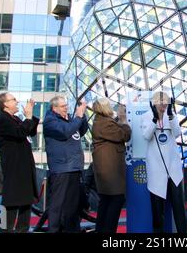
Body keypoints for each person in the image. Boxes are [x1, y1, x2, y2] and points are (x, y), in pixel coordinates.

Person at [142, 92, 187, 233]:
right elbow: (146, 135)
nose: (164, 103)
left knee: (180, 209)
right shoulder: (146, 116)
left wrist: (171, 115)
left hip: (173, 170)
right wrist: (155, 119)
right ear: (154, 102)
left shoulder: (171, 115)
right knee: (158, 213)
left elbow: (176, 133)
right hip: (156, 171)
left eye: (166, 101)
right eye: (161, 101)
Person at [0, 93, 40, 233]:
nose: (17, 101)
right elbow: (20, 133)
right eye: (13, 99)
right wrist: (27, 117)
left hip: (24, 167)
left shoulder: (15, 118)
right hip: (14, 168)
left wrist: (30, 115)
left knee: (26, 203)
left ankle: (23, 230)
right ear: (5, 104)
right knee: (12, 204)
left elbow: (30, 132)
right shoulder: (2, 119)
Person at [43, 96, 89, 233]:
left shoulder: (69, 119)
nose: (66, 108)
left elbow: (81, 130)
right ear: (54, 108)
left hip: (74, 167)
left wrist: (82, 115)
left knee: (72, 204)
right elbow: (65, 132)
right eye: (63, 106)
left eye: (66, 105)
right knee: (58, 204)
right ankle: (54, 229)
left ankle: (72, 229)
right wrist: (78, 117)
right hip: (61, 168)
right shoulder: (50, 121)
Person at [92, 98, 131, 233]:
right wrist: (124, 119)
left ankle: (101, 230)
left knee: (106, 201)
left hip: (106, 169)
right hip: (110, 170)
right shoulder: (105, 123)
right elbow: (124, 135)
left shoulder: (101, 121)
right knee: (116, 199)